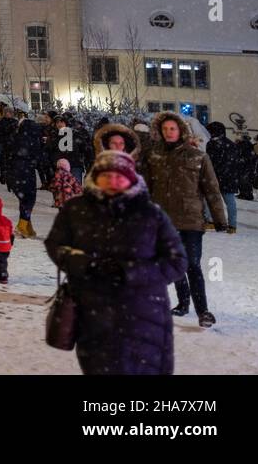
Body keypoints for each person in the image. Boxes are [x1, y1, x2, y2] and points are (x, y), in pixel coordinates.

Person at [45, 150, 188, 375]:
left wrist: (131, 272)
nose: (113, 181)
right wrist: (82, 263)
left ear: (131, 178)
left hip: (145, 314)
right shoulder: (76, 209)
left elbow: (177, 262)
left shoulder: (151, 214)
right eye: (107, 175)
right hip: (94, 312)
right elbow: (56, 245)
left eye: (119, 176)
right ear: (96, 177)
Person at [135, 112, 227, 328]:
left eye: (172, 129)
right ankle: (183, 304)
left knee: (192, 265)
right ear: (159, 132)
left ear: (181, 131)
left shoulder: (197, 156)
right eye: (165, 129)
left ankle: (203, 311)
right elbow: (145, 189)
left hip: (191, 220)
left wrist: (219, 218)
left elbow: (211, 189)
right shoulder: (153, 157)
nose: (169, 132)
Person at [6, 113, 44, 238]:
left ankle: (27, 226)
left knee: (23, 200)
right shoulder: (33, 139)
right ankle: (22, 226)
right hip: (27, 172)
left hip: (14, 172)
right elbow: (38, 157)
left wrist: (5, 173)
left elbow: (6, 155)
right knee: (29, 200)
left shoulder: (14, 137)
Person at [205, 122, 241, 234]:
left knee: (209, 200)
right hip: (229, 177)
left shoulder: (212, 144)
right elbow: (234, 162)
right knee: (230, 202)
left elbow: (210, 162)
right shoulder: (230, 144)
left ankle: (212, 221)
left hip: (216, 176)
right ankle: (232, 225)